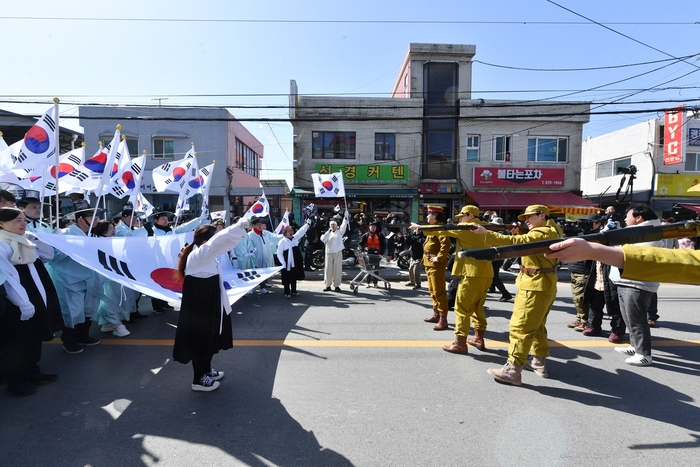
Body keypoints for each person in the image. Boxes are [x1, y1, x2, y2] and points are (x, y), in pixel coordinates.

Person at [472, 205, 564, 386]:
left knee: (520, 327)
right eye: (525, 218)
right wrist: (516, 233)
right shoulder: (552, 229)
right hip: (542, 283)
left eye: (530, 217)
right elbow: (527, 246)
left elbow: (518, 244)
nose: (526, 221)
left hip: (534, 284)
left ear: (543, 216)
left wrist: (486, 233)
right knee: (536, 326)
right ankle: (538, 361)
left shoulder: (541, 233)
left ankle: (513, 370)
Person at [173, 218, 249, 392]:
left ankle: (206, 370)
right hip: (201, 308)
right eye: (213, 236)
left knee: (209, 338)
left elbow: (218, 244)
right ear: (206, 241)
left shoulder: (205, 255)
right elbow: (218, 242)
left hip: (209, 304)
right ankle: (198, 379)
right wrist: (237, 227)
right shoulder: (199, 255)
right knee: (201, 340)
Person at [0, 207, 62, 396]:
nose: (23, 223)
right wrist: (22, 302)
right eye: (17, 220)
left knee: (34, 337)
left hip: (36, 296)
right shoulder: (2, 244)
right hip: (17, 302)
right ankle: (16, 382)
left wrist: (34, 238)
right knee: (16, 342)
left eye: (23, 220)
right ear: (1, 224)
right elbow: (7, 277)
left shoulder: (25, 240)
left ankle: (32, 372)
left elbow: (47, 256)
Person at [414, 205, 493, 348]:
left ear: (470, 216)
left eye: (461, 217)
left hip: (470, 272)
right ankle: (478, 338)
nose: (460, 221)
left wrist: (420, 228)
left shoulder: (467, 229)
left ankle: (460, 343)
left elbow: (442, 231)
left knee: (462, 309)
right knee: (478, 307)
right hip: (486, 272)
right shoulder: (486, 228)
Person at [606, 204, 662, 366]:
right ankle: (635, 346)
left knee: (637, 320)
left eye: (627, 216)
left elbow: (634, 254)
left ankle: (644, 355)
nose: (624, 218)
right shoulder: (639, 231)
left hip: (638, 282)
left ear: (639, 218)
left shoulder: (651, 232)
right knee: (629, 318)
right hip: (628, 280)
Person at [47, 208, 104, 354]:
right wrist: (71, 247)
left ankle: (83, 335)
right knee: (73, 311)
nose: (97, 221)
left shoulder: (93, 235)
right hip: (69, 278)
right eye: (93, 218)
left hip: (89, 278)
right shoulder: (63, 235)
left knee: (89, 308)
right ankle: (69, 340)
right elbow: (52, 257)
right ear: (80, 220)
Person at [412, 206, 451, 329]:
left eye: (428, 214)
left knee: (439, 291)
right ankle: (436, 314)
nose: (427, 216)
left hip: (436, 264)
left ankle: (443, 319)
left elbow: (446, 244)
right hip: (429, 263)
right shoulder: (433, 228)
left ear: (434, 216)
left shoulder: (439, 228)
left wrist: (439, 258)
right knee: (432, 290)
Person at [91, 221, 131, 338]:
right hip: (104, 278)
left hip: (115, 277)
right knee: (109, 300)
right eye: (109, 228)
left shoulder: (114, 241)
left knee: (115, 299)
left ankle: (107, 323)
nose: (113, 230)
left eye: (113, 228)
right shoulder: (96, 242)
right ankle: (117, 325)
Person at [566, 214, 602, 331]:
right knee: (576, 297)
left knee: (581, 298)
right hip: (575, 268)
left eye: (589, 222)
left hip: (585, 270)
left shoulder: (598, 237)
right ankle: (580, 318)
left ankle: (585, 321)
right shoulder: (579, 235)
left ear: (598, 224)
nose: (586, 225)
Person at [247, 216, 284, 294]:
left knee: (263, 273)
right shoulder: (250, 235)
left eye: (261, 224)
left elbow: (275, 238)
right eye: (257, 224)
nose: (260, 226)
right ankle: (251, 288)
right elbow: (249, 247)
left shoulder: (265, 233)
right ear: (253, 226)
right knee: (254, 273)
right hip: (256, 258)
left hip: (265, 256)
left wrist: (284, 235)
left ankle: (262, 287)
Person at [276, 220, 311, 298]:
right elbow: (279, 253)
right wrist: (283, 263)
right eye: (288, 231)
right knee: (286, 278)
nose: (290, 232)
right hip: (286, 262)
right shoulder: (282, 241)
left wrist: (307, 224)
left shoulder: (294, 238)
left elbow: (301, 232)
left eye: (291, 231)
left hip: (295, 262)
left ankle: (294, 291)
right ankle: (286, 292)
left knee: (294, 276)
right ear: (285, 233)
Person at [320, 213, 349, 291]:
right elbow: (323, 239)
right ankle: (328, 285)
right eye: (331, 225)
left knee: (337, 269)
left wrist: (345, 218)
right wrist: (328, 232)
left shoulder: (339, 232)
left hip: (337, 252)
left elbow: (344, 226)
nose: (333, 226)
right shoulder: (327, 233)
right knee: (328, 269)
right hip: (329, 253)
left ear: (336, 226)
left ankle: (337, 285)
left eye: (334, 225)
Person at [487, 217, 513, 302]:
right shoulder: (502, 232)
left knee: (494, 276)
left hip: (497, 256)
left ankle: (506, 294)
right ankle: (492, 288)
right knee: (493, 273)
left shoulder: (501, 233)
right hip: (497, 256)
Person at [359, 220, 387, 288]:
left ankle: (375, 283)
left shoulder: (380, 235)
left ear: (376, 228)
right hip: (367, 255)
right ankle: (368, 282)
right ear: (369, 227)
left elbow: (384, 245)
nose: (373, 228)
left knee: (375, 269)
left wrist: (381, 253)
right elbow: (360, 244)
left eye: (374, 227)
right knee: (368, 269)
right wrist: (362, 251)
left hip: (376, 255)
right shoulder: (366, 235)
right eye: (372, 227)